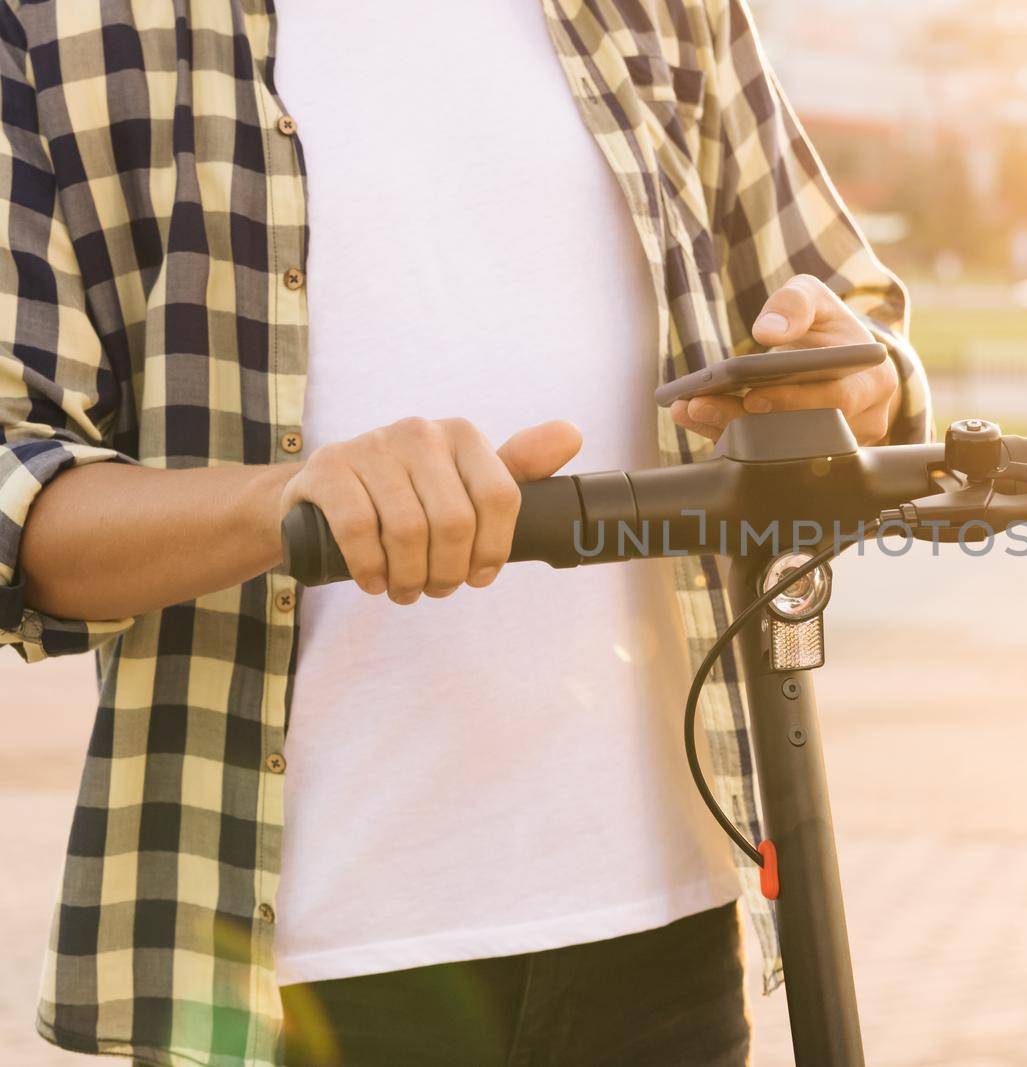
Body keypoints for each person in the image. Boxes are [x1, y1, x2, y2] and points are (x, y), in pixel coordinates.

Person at [0, 1, 930, 1064]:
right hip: (298, 973)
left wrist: (854, 380)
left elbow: (858, 334)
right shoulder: (66, 25)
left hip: (663, 931)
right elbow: (13, 475)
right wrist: (294, 501)